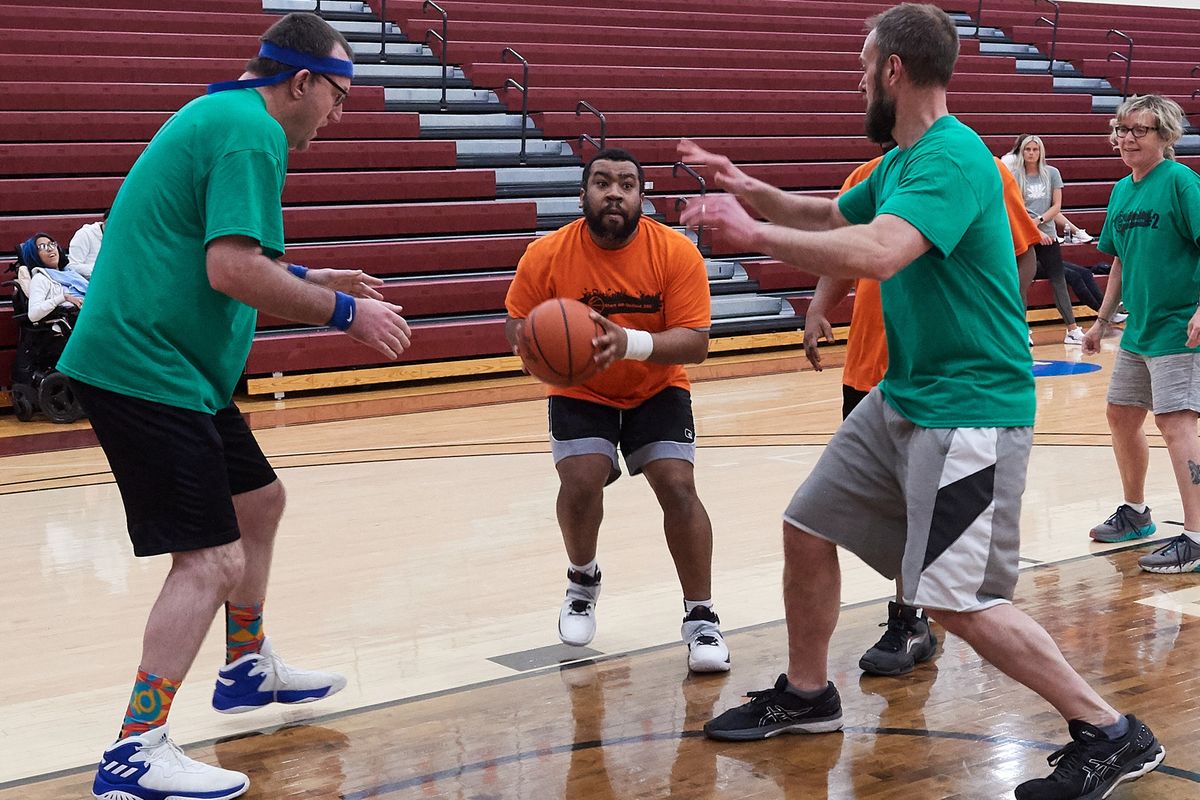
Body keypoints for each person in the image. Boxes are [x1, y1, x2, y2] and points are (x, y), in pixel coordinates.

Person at [677, 6, 1163, 799]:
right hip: (904, 394)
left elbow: (879, 252)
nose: (857, 78)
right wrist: (750, 190)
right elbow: (838, 216)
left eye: (864, 65)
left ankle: (1112, 732)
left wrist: (755, 235)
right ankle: (808, 694)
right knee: (808, 525)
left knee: (962, 602)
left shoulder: (951, 157)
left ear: (895, 70)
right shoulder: (900, 161)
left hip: (970, 409)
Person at [56, 13, 412, 800]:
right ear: (302, 82)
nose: (339, 115)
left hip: (172, 365)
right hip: (142, 366)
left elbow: (218, 252)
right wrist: (348, 318)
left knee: (260, 500)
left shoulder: (229, 117)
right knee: (210, 561)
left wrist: (318, 280)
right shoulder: (253, 133)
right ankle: (134, 750)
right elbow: (231, 270)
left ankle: (245, 668)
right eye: (339, 98)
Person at [804, 152, 1041, 677]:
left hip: (946, 380)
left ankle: (911, 619)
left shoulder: (978, 167)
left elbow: (1025, 254)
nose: (862, 86)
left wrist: (998, 320)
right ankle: (825, 672)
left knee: (926, 518)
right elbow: (844, 251)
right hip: (872, 370)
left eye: (869, 69)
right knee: (851, 513)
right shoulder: (867, 175)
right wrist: (820, 306)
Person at [503, 148, 729, 673]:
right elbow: (516, 323)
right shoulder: (547, 254)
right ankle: (583, 580)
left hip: (656, 384)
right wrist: (535, 347)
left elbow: (695, 343)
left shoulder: (675, 253)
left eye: (627, 184)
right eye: (602, 182)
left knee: (677, 484)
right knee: (581, 477)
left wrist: (627, 343)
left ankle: (702, 619)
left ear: (641, 197)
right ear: (583, 194)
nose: (614, 192)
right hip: (582, 389)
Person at [1083, 95, 1200, 576]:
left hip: (1179, 328)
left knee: (1177, 423)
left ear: (1166, 137)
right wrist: (1102, 320)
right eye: (1122, 128)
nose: (1126, 138)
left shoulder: (1181, 183)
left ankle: (1196, 536)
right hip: (1139, 330)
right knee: (1121, 415)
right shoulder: (1121, 191)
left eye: (1139, 130)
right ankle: (1136, 513)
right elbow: (1120, 261)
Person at [1010, 135, 1087, 345]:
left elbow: (1057, 206)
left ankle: (1071, 329)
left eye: (1035, 149)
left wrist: (1041, 221)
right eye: (1028, 149)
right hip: (1026, 235)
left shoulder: (1052, 173)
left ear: (1041, 152)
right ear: (1022, 152)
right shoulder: (1015, 175)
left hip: (1049, 233)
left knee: (1059, 280)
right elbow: (1015, 207)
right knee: (1022, 283)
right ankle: (1022, 330)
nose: (1032, 153)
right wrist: (1034, 229)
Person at [17, 233, 87, 323]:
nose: (50, 249)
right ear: (33, 255)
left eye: (52, 244)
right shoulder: (40, 278)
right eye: (42, 247)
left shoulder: (71, 273)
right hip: (79, 321)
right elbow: (33, 315)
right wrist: (63, 297)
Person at [68, 210, 107, 279]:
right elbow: (72, 266)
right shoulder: (84, 234)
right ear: (106, 221)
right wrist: (103, 269)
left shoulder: (121, 236)